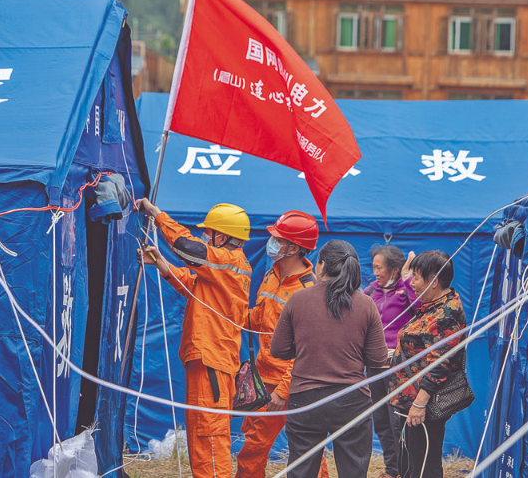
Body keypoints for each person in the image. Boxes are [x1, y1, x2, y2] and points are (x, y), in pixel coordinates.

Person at [136, 198, 251, 478]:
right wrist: (162, 265)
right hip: (209, 360)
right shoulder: (226, 267)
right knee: (203, 435)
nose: (204, 237)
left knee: (209, 436)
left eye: (208, 233)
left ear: (222, 236)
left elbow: (188, 248)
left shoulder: (228, 260)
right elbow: (194, 286)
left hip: (212, 360)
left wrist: (157, 214)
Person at [270, 239, 387, 478]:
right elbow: (377, 359)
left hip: (305, 399)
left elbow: (278, 350)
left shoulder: (298, 300)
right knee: (353, 472)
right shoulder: (366, 304)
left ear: (321, 265)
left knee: (300, 471)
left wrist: (307, 345)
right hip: (351, 400)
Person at [235, 211, 329, 478]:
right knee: (253, 447)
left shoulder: (308, 291)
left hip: (294, 385)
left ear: (295, 247)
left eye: (278, 238)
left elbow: (308, 349)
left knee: (308, 449)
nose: (271, 241)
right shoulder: (271, 275)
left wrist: (283, 392)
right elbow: (259, 319)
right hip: (263, 380)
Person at [388, 250, 468, 478]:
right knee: (411, 464)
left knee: (424, 467)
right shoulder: (432, 305)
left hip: (425, 403)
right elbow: (422, 348)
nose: (411, 283)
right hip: (409, 398)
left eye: (415, 277)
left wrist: (420, 404)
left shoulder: (448, 312)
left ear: (433, 280)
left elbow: (441, 363)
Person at [363, 245, 417, 478]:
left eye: (379, 267)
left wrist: (407, 282)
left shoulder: (407, 290)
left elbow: (421, 310)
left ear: (394, 269)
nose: (375, 271)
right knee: (381, 421)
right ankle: (391, 470)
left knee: (397, 422)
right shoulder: (369, 292)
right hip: (374, 365)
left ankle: (403, 471)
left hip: (398, 367)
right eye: (373, 266)